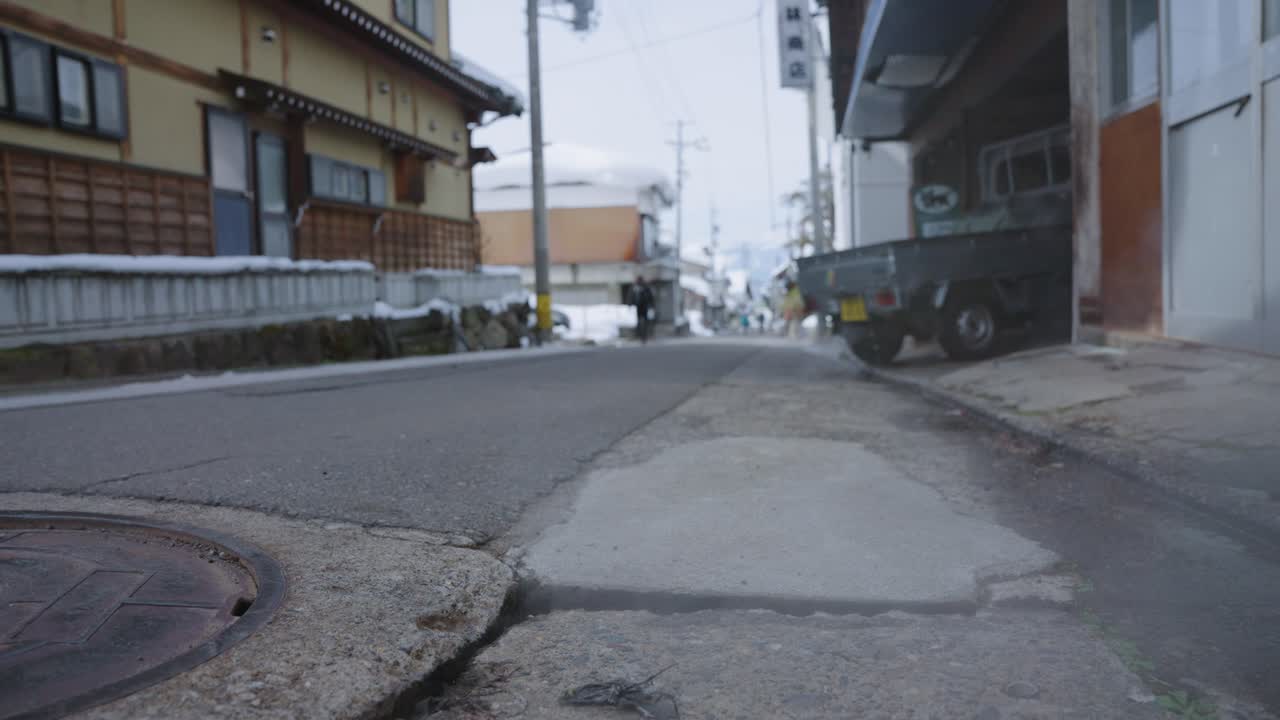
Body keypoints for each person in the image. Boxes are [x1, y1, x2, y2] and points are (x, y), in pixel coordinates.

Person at [628, 276, 655, 343]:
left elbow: (650, 297)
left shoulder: (644, 287)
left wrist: (651, 305)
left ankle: (643, 337)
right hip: (639, 307)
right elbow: (631, 296)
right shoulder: (636, 287)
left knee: (644, 322)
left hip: (643, 306)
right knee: (640, 322)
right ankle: (641, 336)